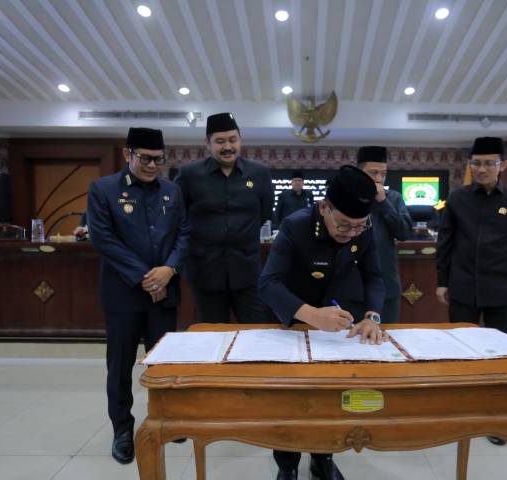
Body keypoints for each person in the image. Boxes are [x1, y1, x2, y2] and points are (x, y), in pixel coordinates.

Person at [259, 165, 386, 480]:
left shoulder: (365, 229)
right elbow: (268, 284)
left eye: (359, 226)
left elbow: (374, 275)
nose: (352, 233)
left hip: (335, 325)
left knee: (331, 394)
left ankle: (323, 458)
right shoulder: (295, 226)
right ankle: (287, 464)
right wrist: (312, 315)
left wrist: (372, 316)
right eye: (344, 225)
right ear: (324, 207)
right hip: (292, 320)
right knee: (290, 397)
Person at [87, 127, 189, 464]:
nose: (152, 165)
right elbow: (103, 238)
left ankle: (167, 417)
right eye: (145, 158)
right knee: (120, 366)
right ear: (127, 154)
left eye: (159, 159)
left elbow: (184, 234)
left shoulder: (172, 190)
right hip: (124, 296)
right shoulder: (103, 189)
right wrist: (147, 278)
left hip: (165, 293)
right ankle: (122, 429)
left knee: (164, 363)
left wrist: (169, 269)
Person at [434, 136, 507, 445]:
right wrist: (442, 280)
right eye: (476, 163)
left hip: (503, 289)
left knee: (500, 355)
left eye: (489, 163)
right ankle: (462, 411)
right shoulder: (457, 199)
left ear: (503, 165)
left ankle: (498, 419)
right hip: (463, 286)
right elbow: (445, 243)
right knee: (460, 351)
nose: (482, 169)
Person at [175, 113, 274, 323]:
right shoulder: (189, 175)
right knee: (212, 335)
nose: (228, 147)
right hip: (205, 272)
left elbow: (265, 213)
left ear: (240, 140)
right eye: (220, 141)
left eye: (232, 140)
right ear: (207, 143)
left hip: (247, 271)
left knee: (256, 331)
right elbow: (177, 217)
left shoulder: (260, 173)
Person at [356, 146, 413, 322]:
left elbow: (404, 232)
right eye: (373, 173)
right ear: (359, 173)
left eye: (383, 173)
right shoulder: (347, 197)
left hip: (386, 285)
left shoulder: (394, 198)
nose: (379, 179)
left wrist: (383, 202)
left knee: (387, 336)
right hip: (351, 288)